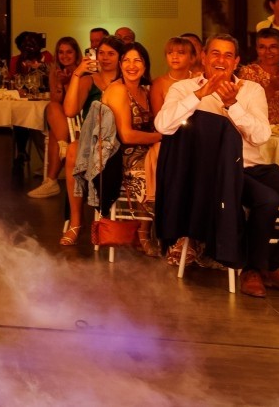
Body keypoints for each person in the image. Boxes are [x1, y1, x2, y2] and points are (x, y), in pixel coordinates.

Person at [155, 35, 279, 299]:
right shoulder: (183, 88)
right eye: (215, 53)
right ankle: (253, 270)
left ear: (235, 62)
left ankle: (272, 262)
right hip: (214, 175)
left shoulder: (251, 90)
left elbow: (260, 137)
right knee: (267, 200)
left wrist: (232, 105)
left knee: (271, 190)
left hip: (252, 168)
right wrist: (200, 95)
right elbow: (163, 125)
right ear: (204, 57)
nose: (220, 60)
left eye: (227, 55)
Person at [60, 35, 123, 245]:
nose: (105, 58)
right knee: (72, 150)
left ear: (120, 57)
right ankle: (76, 220)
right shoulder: (89, 80)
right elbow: (69, 111)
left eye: (111, 54)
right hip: (91, 139)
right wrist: (78, 73)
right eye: (101, 52)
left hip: (119, 139)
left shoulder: (126, 79)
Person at [101, 42, 162, 257]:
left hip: (143, 150)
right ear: (120, 64)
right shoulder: (118, 90)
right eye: (126, 60)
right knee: (160, 170)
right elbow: (125, 135)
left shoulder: (146, 90)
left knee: (176, 165)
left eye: (137, 60)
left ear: (145, 65)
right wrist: (162, 137)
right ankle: (144, 234)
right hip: (118, 155)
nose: (131, 65)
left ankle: (176, 236)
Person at [28, 36, 82, 198]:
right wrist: (59, 83)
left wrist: (68, 82)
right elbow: (56, 100)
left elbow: (77, 103)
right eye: (61, 52)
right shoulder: (55, 70)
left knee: (54, 133)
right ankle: (63, 147)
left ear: (76, 53)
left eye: (69, 52)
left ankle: (51, 182)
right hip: (65, 118)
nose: (64, 56)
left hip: (79, 115)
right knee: (52, 107)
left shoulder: (83, 71)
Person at [238, 27, 279, 129]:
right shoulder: (248, 72)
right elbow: (246, 106)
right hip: (260, 132)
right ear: (257, 49)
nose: (268, 52)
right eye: (262, 47)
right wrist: (272, 88)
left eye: (273, 47)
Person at [150, 36, 195, 116]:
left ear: (192, 58)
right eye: (170, 53)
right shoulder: (158, 83)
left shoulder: (198, 80)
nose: (174, 57)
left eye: (181, 52)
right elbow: (159, 118)